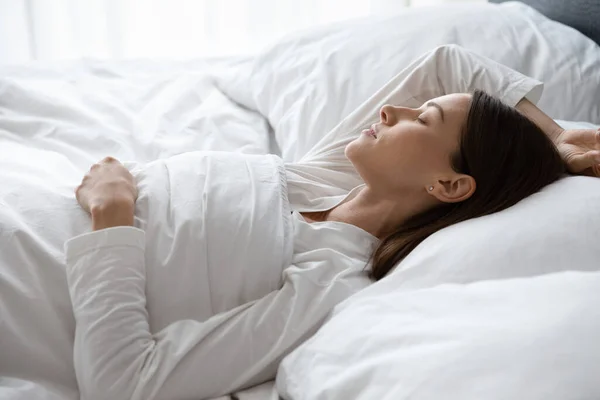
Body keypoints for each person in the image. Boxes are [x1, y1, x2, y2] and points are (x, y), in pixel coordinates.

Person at [67, 45, 600, 399]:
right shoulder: (325, 177)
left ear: (449, 185)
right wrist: (558, 142)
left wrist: (112, 216)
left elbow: (124, 384)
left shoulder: (329, 276)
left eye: (425, 117)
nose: (393, 108)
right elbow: (449, 62)